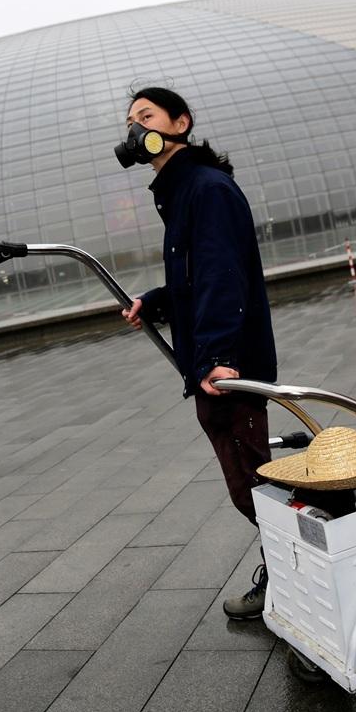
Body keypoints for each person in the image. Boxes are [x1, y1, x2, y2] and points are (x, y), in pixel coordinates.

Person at [116, 86, 277, 620]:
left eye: (146, 117)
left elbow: (221, 277)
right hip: (217, 362)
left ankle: (297, 574)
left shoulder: (204, 189)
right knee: (252, 482)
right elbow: (194, 276)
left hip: (227, 368)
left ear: (180, 122)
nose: (136, 130)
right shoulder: (184, 190)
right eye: (131, 122)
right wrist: (155, 301)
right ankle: (292, 570)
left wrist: (218, 359)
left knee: (254, 485)